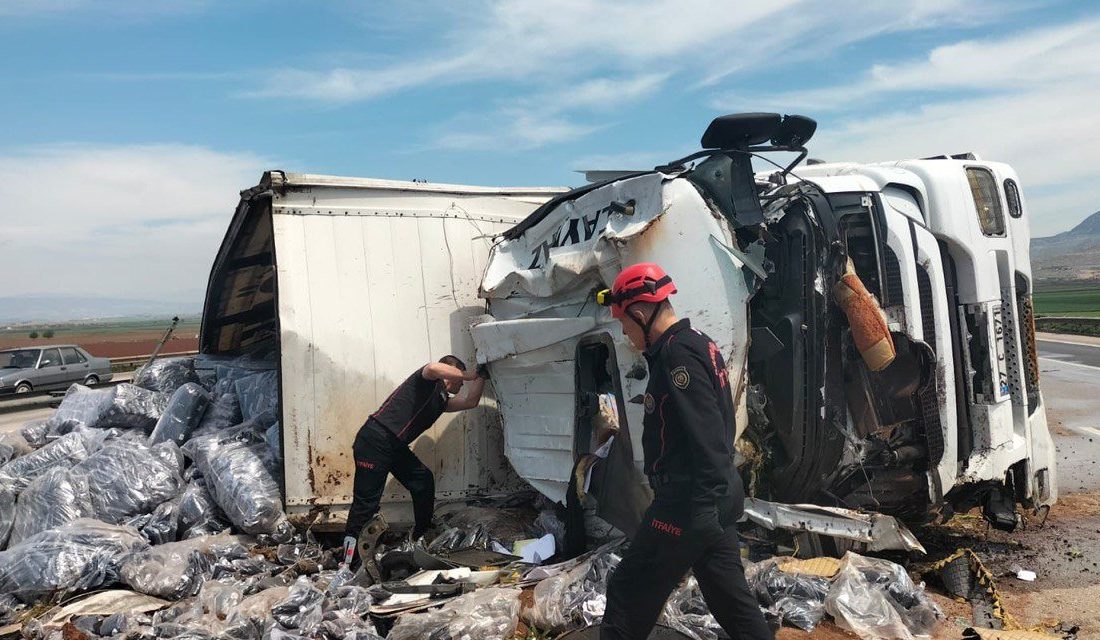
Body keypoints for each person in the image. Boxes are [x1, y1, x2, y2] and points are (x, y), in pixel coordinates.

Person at [596, 263, 772, 640]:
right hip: (714, 497)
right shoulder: (699, 343)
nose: (627, 335)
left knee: (629, 590)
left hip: (689, 502)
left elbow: (707, 437)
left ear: (641, 313)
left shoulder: (678, 357)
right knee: (731, 603)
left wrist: (699, 510)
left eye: (625, 325)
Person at [342, 355, 487, 564]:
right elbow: (432, 367)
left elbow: (471, 402)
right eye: (460, 378)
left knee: (423, 481)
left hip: (395, 446)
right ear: (450, 373)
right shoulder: (427, 381)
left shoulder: (442, 400)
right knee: (366, 505)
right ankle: (349, 561)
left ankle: (421, 534)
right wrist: (470, 373)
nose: (462, 383)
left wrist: (481, 374)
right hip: (375, 440)